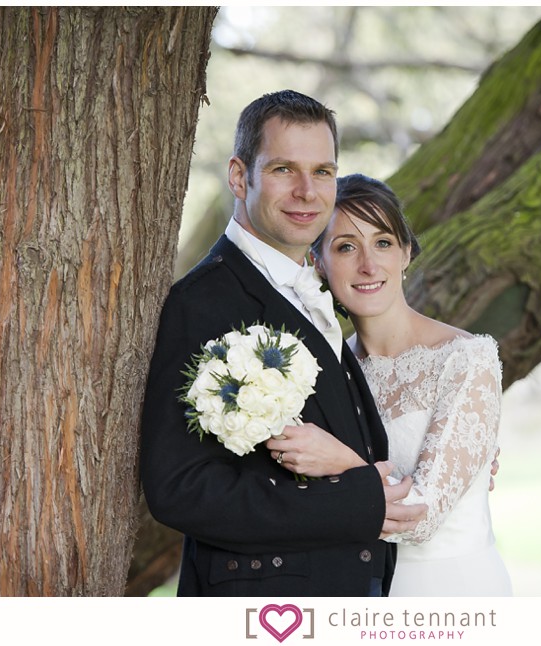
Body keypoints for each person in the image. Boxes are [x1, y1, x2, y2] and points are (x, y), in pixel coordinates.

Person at [139, 91, 426, 597]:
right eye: (282, 170)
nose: (306, 191)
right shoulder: (202, 302)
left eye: (322, 171)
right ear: (238, 176)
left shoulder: (318, 287)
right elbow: (180, 490)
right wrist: (354, 501)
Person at [267, 173, 513, 596]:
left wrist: (338, 461)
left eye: (383, 243)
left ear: (406, 252)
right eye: (346, 247)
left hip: (453, 590)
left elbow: (422, 514)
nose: (368, 264)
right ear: (317, 263)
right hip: (352, 591)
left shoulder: (465, 358)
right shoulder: (319, 369)